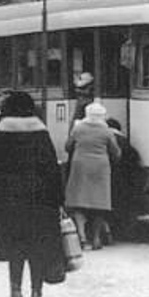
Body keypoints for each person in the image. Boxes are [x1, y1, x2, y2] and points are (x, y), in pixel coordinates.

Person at [0, 91, 64, 297]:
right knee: (37, 247)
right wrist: (58, 197)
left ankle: (15, 292)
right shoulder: (40, 130)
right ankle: (37, 293)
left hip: (10, 197)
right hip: (40, 197)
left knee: (15, 248)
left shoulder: (1, 130)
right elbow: (51, 167)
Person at [65, 101, 121, 250]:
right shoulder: (106, 131)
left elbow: (68, 146)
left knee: (78, 202)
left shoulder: (78, 128)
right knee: (99, 204)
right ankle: (96, 238)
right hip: (100, 168)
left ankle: (82, 237)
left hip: (80, 166)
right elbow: (116, 152)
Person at [107, 117, 140, 243]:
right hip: (126, 180)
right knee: (123, 207)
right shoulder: (126, 142)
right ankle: (124, 232)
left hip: (110, 178)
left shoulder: (108, 139)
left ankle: (111, 232)